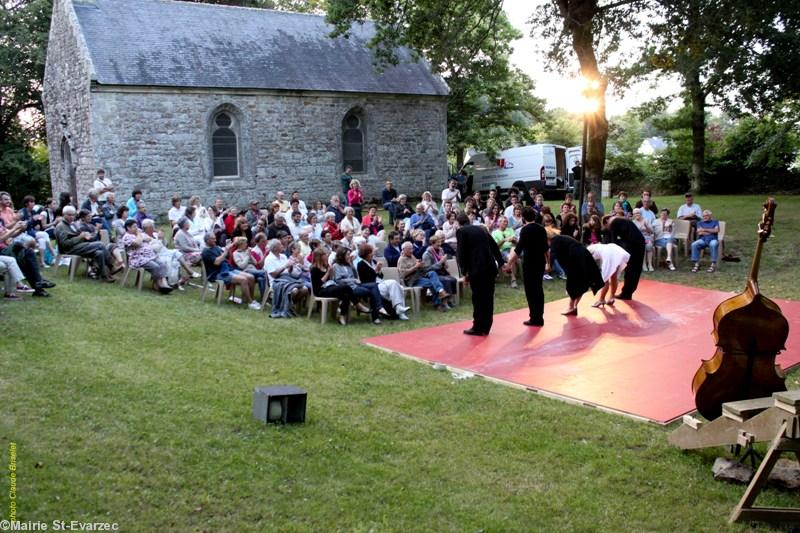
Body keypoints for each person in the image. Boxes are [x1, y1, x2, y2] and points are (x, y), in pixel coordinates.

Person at [456, 213, 504, 335]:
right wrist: (501, 262)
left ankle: (478, 326)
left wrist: (464, 271)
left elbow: (462, 253)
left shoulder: (461, 231)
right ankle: (486, 327)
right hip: (490, 267)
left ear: (458, 223)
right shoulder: (481, 229)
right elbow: (494, 245)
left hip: (477, 269)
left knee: (477, 298)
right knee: (488, 297)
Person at [504, 207, 548, 326]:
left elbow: (518, 249)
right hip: (540, 262)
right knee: (538, 288)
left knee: (530, 290)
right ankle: (539, 316)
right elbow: (546, 248)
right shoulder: (541, 229)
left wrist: (509, 263)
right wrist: (548, 263)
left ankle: (534, 317)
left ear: (523, 218)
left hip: (529, 263)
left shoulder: (525, 230)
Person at [55, 206, 118, 282]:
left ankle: (104, 275)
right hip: (69, 249)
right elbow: (65, 244)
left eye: (73, 215)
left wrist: (85, 235)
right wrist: (80, 237)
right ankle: (112, 266)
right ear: (63, 214)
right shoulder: (60, 227)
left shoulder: (72, 225)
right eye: (69, 215)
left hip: (79, 246)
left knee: (99, 253)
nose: (71, 217)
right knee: (100, 244)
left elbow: (79, 235)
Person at [549, 235, 604, 316]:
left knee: (574, 283)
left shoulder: (554, 240)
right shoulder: (561, 238)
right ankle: (574, 307)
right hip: (582, 256)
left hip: (578, 257)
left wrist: (549, 266)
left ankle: (571, 307)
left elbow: (553, 254)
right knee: (582, 282)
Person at [202, 232, 260, 309]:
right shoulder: (206, 252)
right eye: (213, 239)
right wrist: (225, 250)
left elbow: (227, 256)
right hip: (217, 274)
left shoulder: (216, 247)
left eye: (215, 238)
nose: (215, 240)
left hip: (227, 269)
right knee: (243, 280)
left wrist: (229, 248)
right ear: (207, 240)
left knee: (251, 277)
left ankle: (249, 299)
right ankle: (250, 303)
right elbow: (217, 262)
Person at [332, 246, 386, 324]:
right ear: (342, 255)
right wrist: (353, 280)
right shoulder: (336, 266)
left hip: (356, 284)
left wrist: (352, 265)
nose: (349, 256)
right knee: (371, 292)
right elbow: (338, 280)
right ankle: (375, 316)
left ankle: (379, 308)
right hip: (348, 288)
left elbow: (355, 276)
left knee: (374, 285)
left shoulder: (349, 265)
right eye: (347, 255)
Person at [357, 244, 410, 320]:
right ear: (367, 254)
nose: (373, 254)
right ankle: (399, 308)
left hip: (381, 283)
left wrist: (378, 270)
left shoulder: (374, 261)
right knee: (393, 283)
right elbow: (366, 280)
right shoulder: (360, 265)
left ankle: (400, 311)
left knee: (399, 287)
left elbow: (381, 276)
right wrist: (376, 270)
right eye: (371, 252)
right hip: (373, 286)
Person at [121, 220, 174, 294]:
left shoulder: (137, 235)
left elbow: (148, 239)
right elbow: (137, 243)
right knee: (155, 266)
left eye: (136, 226)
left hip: (149, 256)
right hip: (138, 259)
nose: (136, 228)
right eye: (134, 227)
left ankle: (164, 284)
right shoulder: (127, 237)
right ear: (128, 228)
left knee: (162, 264)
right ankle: (159, 284)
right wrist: (139, 235)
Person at [398, 241, 451, 312]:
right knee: (432, 283)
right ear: (404, 250)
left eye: (412, 249)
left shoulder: (412, 256)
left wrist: (421, 265)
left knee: (432, 273)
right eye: (409, 249)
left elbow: (418, 267)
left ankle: (441, 292)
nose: (411, 251)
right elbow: (403, 274)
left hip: (420, 275)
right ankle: (438, 303)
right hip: (412, 280)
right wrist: (415, 267)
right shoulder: (401, 260)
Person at [310, 247, 355, 326]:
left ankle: (342, 316)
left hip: (330, 287)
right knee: (346, 288)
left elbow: (331, 280)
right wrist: (328, 273)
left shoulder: (326, 266)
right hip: (320, 290)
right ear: (319, 256)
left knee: (346, 295)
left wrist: (330, 273)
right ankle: (357, 304)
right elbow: (319, 284)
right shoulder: (314, 269)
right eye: (324, 254)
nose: (327, 256)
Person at [605, 214, 646, 300]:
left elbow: (613, 243)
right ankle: (628, 292)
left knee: (630, 269)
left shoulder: (613, 223)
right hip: (640, 242)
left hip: (633, 245)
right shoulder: (622, 220)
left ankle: (626, 293)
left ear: (607, 222)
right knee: (636, 268)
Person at [587, 243, 630, 307]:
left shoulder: (589, 252)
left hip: (609, 254)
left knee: (605, 279)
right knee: (613, 277)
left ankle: (601, 299)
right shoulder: (597, 247)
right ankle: (611, 297)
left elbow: (591, 264)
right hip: (617, 251)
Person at [491, 216, 518, 288]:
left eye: (507, 222)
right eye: (504, 222)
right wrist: (504, 240)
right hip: (502, 251)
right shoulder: (494, 233)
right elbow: (495, 247)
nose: (506, 223)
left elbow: (517, 243)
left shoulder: (510, 230)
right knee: (510, 256)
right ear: (499, 223)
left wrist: (513, 240)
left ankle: (512, 277)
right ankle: (513, 279)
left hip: (513, 249)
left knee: (513, 249)